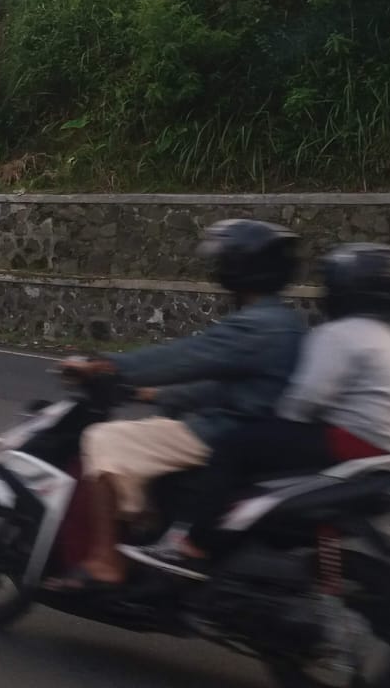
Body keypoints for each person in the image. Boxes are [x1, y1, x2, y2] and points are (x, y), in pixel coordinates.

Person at [126, 242, 390, 576]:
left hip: (347, 441)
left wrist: (276, 420)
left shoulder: (339, 334)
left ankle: (193, 545)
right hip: (387, 448)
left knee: (233, 446)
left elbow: (308, 397)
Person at [49, 218, 306, 591]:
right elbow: (228, 385)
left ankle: (106, 560)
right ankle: (148, 528)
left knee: (102, 438)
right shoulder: (285, 321)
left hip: (222, 432)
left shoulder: (257, 325)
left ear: (240, 266)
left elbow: (184, 358)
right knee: (152, 428)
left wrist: (106, 365)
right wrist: (155, 396)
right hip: (246, 429)